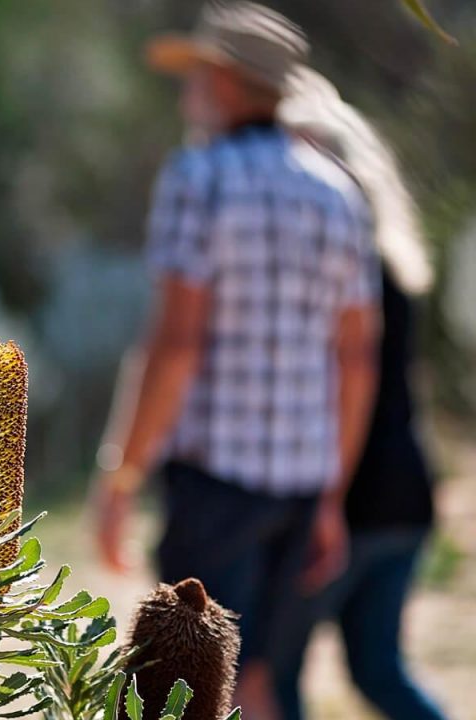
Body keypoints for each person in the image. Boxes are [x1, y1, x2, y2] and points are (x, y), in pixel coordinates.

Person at [90, 3, 381, 717]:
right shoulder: (338, 193)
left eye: (195, 76)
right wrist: (334, 500)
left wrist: (122, 471)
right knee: (254, 684)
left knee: (176, 691)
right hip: (304, 482)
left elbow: (177, 342)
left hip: (216, 484)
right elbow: (356, 358)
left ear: (222, 82)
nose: (187, 92)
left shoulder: (201, 176)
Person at [268, 68, 448, 720]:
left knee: (272, 678)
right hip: (407, 498)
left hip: (348, 505)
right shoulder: (394, 264)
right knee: (379, 672)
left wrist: (323, 504)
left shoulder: (335, 271)